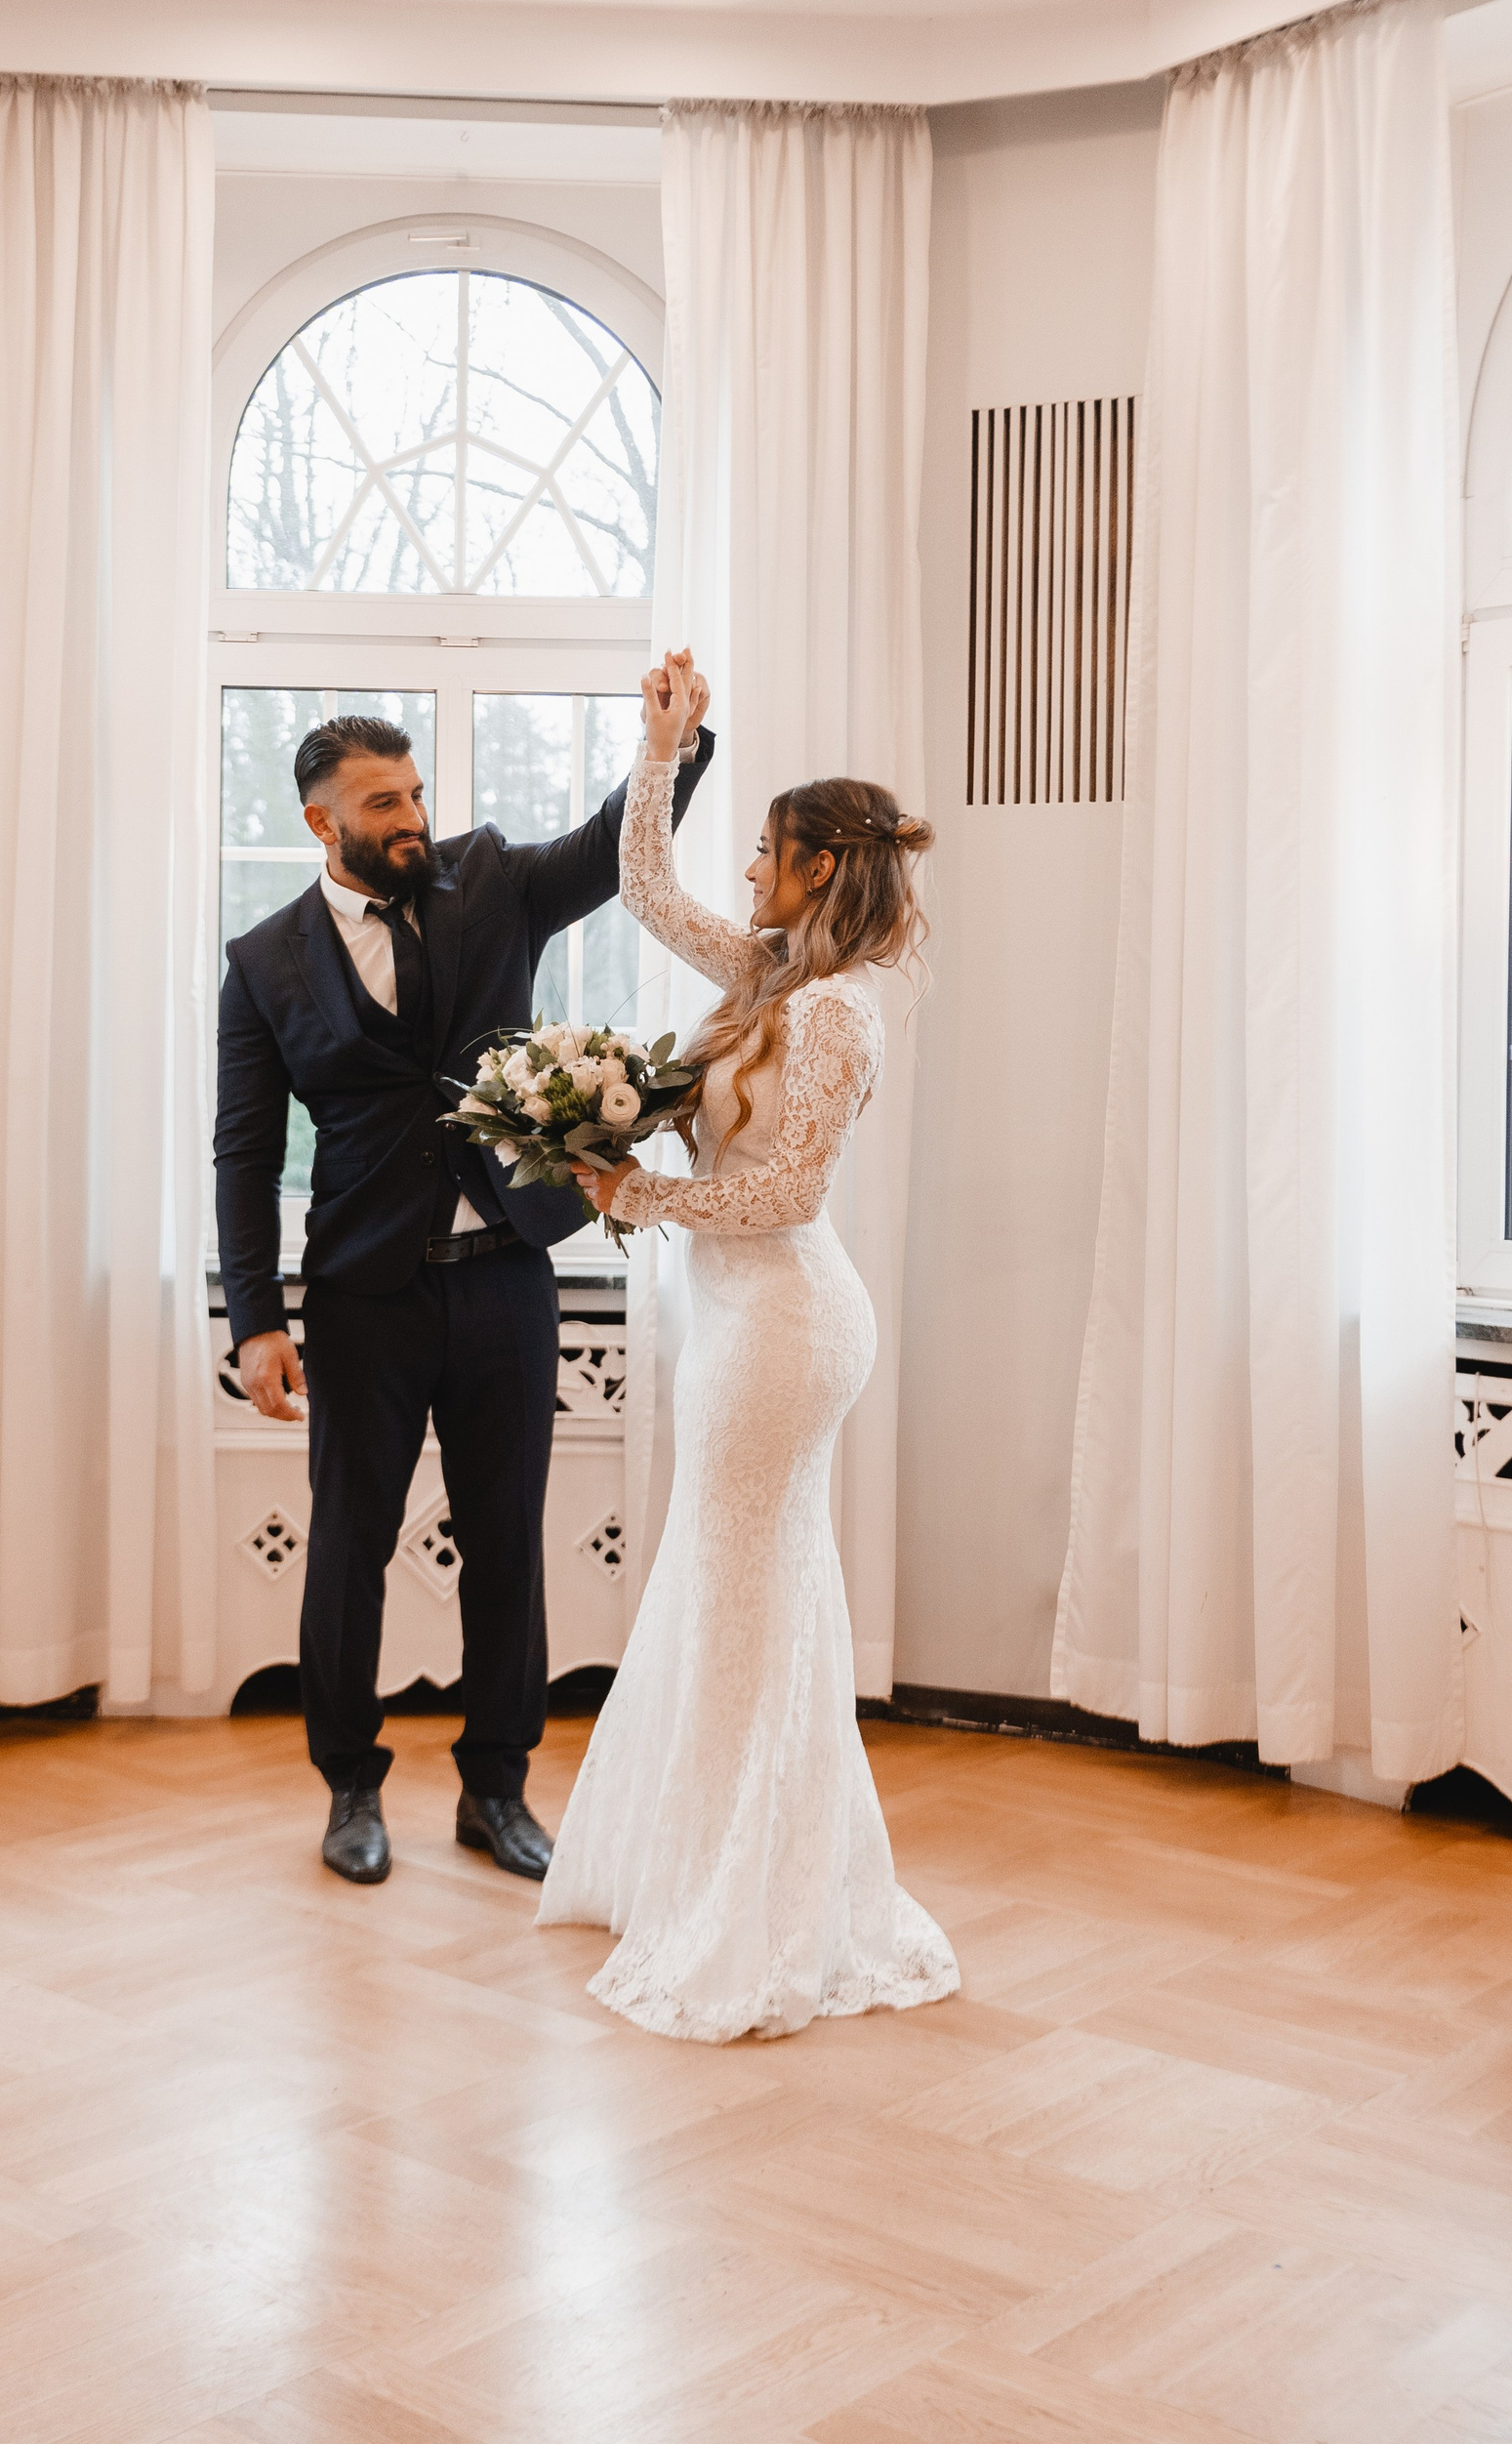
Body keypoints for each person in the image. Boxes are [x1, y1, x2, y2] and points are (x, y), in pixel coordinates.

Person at [215, 699, 715, 1887]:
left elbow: (610, 847)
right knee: (349, 1545)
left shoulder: (489, 882)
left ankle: (498, 1788)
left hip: (506, 1281)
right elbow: (244, 1153)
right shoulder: (263, 963)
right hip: (362, 1299)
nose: (412, 818)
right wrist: (257, 1321)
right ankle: (350, 1786)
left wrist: (671, 749)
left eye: (416, 793)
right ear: (321, 823)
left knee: (504, 1543)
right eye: (383, 802)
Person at [542, 652, 960, 2041]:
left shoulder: (836, 1014)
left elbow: (786, 1195)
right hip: (736, 1312)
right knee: (732, 1583)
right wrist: (663, 745)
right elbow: (646, 890)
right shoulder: (774, 976)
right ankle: (706, 1863)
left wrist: (636, 1195)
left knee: (747, 1588)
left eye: (768, 854)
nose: (748, 874)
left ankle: (759, 1894)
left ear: (820, 868)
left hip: (785, 1320)